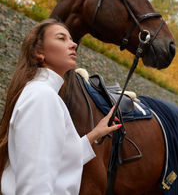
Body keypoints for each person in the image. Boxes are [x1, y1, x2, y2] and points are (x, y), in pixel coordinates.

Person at [0, 18, 122, 195]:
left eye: (71, 39)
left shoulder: (43, 94)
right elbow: (35, 186)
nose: (73, 44)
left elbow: (62, 158)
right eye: (61, 38)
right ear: (38, 53)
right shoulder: (43, 97)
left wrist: (96, 133)